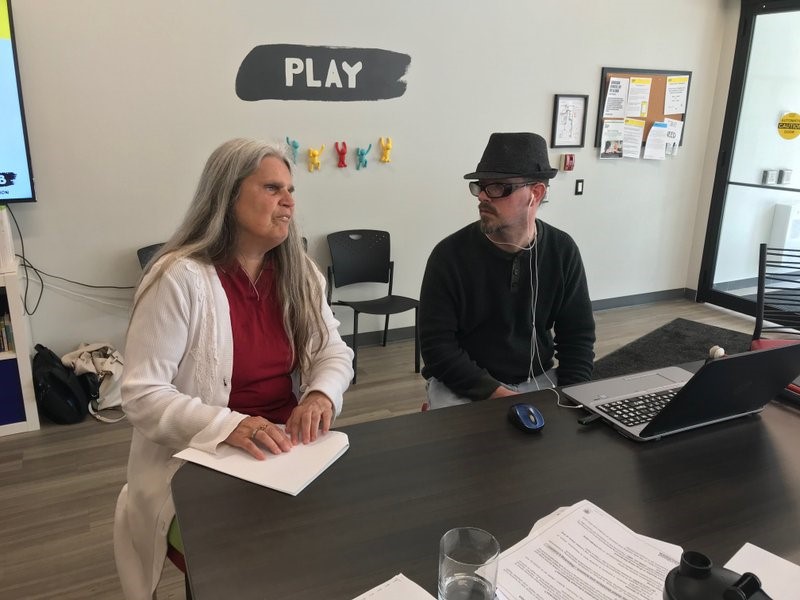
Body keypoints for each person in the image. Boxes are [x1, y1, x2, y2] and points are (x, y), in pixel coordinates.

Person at [113, 138, 354, 598]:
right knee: (236, 572)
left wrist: (321, 394)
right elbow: (141, 395)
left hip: (285, 449)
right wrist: (230, 426)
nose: (289, 202)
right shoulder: (176, 278)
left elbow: (333, 351)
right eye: (272, 188)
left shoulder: (300, 272)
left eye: (291, 189)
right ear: (227, 196)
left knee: (313, 551)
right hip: (197, 462)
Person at [420, 132, 595, 408]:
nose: (483, 197)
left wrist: (572, 399)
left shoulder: (562, 251)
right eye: (481, 186)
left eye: (498, 187)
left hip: (538, 378)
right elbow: (437, 348)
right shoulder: (449, 256)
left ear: (535, 193)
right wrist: (503, 398)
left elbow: (578, 338)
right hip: (465, 384)